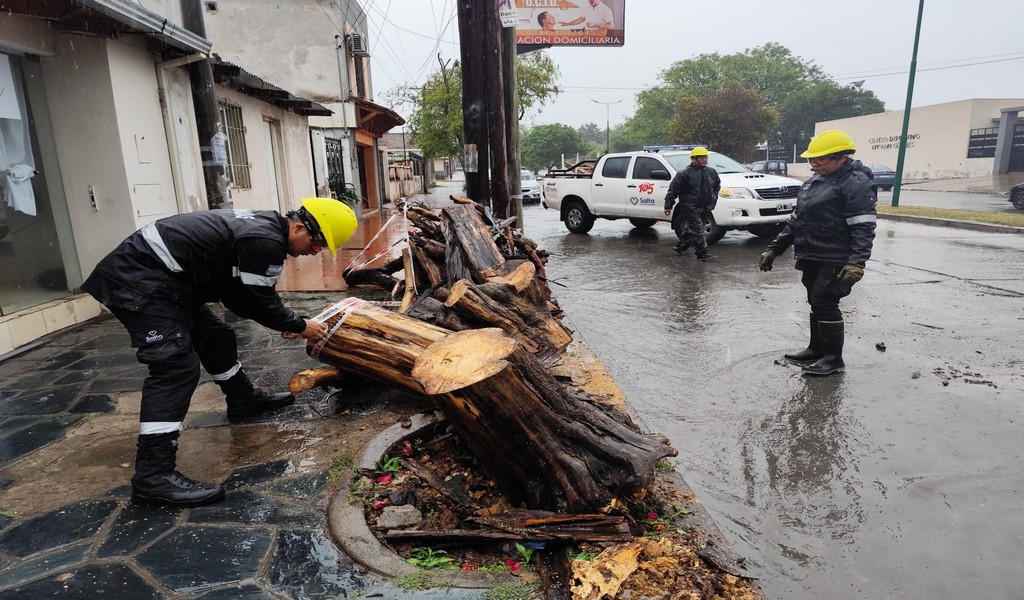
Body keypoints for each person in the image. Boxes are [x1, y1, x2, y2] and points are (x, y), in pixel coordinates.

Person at [81, 198, 358, 507]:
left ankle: (242, 400)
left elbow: (240, 298)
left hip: (169, 282)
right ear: (299, 226)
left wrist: (284, 319)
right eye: (317, 241)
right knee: (174, 366)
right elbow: (255, 300)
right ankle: (153, 475)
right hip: (138, 280)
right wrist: (299, 324)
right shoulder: (265, 240)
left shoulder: (266, 231)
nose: (315, 250)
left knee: (216, 336)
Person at [758, 130, 876, 376]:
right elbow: (796, 219)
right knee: (815, 301)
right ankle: (816, 350)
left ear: (842, 156)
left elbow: (863, 226)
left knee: (825, 301)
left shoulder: (855, 182)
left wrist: (857, 262)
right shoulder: (814, 182)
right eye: (812, 159)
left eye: (820, 159)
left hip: (836, 255)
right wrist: (775, 248)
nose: (814, 164)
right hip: (812, 253)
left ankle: (833, 359)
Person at [663, 146, 721, 262]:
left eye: (706, 157)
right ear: (694, 159)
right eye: (702, 158)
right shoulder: (684, 174)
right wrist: (668, 205)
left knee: (692, 229)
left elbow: (716, 186)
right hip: (690, 207)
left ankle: (680, 247)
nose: (705, 160)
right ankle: (702, 253)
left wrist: (714, 198)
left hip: (706, 206)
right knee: (698, 230)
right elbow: (673, 190)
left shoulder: (711, 172)